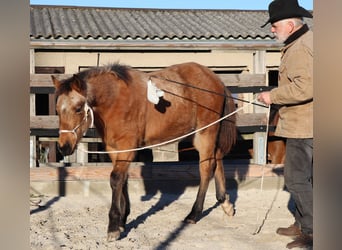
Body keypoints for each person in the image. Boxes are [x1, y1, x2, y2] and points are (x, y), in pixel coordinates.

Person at [258, 0, 313, 249]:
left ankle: (313, 232)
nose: (272, 29)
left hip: (306, 124)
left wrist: (273, 96)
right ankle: (303, 224)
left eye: (275, 25)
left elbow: (307, 86)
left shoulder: (301, 47)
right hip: (306, 122)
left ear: (290, 25)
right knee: (305, 179)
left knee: (296, 179)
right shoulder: (302, 42)